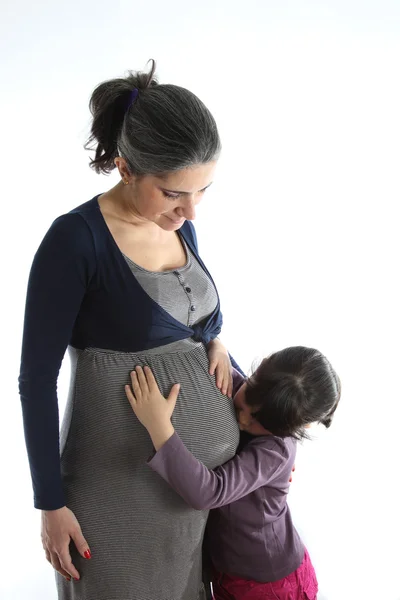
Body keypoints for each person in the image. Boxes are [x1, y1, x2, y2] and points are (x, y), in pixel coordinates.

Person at [18, 60, 243, 600]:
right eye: (173, 194)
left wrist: (216, 339)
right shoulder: (75, 242)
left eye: (203, 190)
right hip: (114, 491)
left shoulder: (179, 226)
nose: (191, 212)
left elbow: (195, 314)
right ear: (125, 168)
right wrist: (50, 503)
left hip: (185, 496)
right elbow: (35, 379)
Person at [125, 346, 341, 600]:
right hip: (235, 572)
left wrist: (158, 426)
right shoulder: (248, 388)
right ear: (257, 371)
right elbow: (216, 359)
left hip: (268, 584)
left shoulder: (276, 449)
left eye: (261, 421)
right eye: (248, 400)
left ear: (294, 428)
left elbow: (209, 492)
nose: (245, 419)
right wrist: (217, 344)